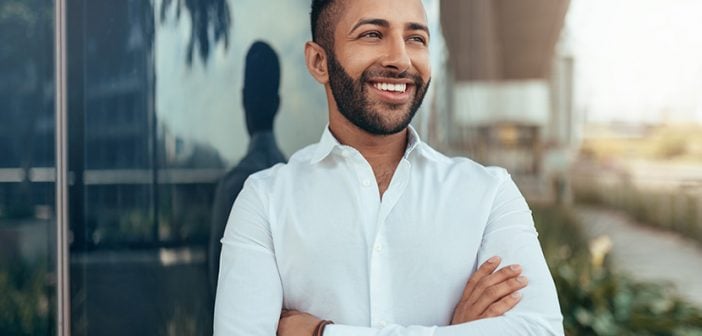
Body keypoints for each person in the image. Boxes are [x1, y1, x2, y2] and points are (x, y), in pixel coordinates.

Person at [213, 0, 564, 335]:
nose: (400, 59)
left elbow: (541, 331)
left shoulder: (489, 194)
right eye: (372, 34)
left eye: (416, 39)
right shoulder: (264, 201)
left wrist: (325, 333)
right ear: (319, 62)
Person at [208, 41, 286, 295]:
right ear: (278, 104)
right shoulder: (295, 180)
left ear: (243, 100)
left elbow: (217, 285)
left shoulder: (233, 185)